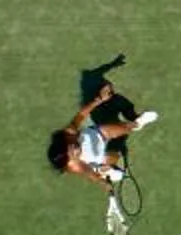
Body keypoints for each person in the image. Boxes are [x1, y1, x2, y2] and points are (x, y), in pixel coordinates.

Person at [47, 58, 162, 186]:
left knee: (128, 128)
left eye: (71, 148)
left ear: (66, 142)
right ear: (70, 161)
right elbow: (91, 176)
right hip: (98, 156)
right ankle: (106, 169)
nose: (75, 150)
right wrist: (104, 182)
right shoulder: (74, 166)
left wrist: (99, 99)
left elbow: (82, 114)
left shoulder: (69, 132)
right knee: (112, 158)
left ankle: (138, 123)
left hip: (100, 133)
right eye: (73, 155)